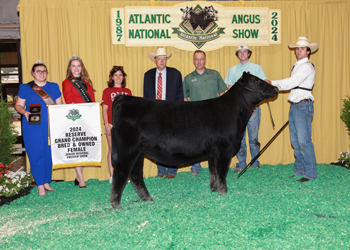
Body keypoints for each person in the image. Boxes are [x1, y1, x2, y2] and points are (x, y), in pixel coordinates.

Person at [266, 36, 319, 182]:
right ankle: (299, 170)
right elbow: (293, 83)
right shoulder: (296, 66)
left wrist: (273, 83)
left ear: (308, 51)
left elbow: (292, 82)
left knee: (304, 141)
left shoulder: (307, 67)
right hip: (295, 105)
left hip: (303, 106)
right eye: (297, 48)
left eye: (302, 48)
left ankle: (310, 173)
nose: (298, 51)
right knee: (296, 142)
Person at [15, 60, 63, 196]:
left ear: (47, 73)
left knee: (49, 154)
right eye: (38, 71)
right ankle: (40, 185)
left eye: (44, 71)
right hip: (33, 126)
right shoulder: (26, 87)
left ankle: (46, 181)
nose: (41, 73)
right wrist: (24, 112)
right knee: (36, 154)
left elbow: (60, 106)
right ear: (33, 73)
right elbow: (18, 105)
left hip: (50, 126)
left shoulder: (54, 86)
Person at [183, 50, 227, 175]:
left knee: (215, 141)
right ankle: (196, 167)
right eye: (196, 59)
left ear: (205, 60)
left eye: (201, 59)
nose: (199, 61)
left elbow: (222, 92)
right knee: (196, 141)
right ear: (193, 61)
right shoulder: (188, 78)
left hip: (214, 115)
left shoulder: (215, 74)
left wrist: (220, 108)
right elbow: (185, 98)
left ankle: (215, 165)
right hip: (195, 116)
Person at [225, 44, 267, 173]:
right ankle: (241, 164)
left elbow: (262, 88)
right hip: (238, 111)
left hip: (253, 109)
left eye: (245, 51)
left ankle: (255, 163)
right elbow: (230, 90)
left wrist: (254, 105)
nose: (242, 53)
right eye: (240, 52)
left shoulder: (257, 68)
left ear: (249, 53)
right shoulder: (232, 70)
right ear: (237, 54)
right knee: (240, 138)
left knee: (253, 138)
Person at [143, 48, 184, 179]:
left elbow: (180, 95)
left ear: (167, 60)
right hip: (155, 113)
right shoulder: (148, 75)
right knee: (157, 142)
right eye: (159, 58)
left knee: (173, 142)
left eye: (164, 58)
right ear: (155, 60)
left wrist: (178, 112)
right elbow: (146, 96)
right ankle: (161, 170)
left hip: (171, 112)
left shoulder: (175, 73)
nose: (162, 61)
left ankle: (172, 170)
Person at [62, 55, 96, 188]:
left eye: (78, 66)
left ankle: (78, 176)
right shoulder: (66, 82)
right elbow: (68, 100)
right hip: (75, 118)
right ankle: (81, 178)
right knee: (77, 147)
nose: (76, 68)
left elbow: (92, 100)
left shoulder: (88, 82)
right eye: (73, 66)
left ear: (82, 68)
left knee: (83, 147)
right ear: (70, 68)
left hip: (87, 118)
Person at [102, 66, 132, 184]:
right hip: (111, 123)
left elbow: (130, 110)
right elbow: (104, 109)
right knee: (111, 149)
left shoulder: (128, 91)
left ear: (123, 77)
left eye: (120, 75)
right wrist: (106, 125)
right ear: (112, 77)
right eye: (116, 75)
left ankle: (124, 175)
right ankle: (112, 175)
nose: (118, 77)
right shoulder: (107, 91)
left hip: (124, 125)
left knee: (124, 151)